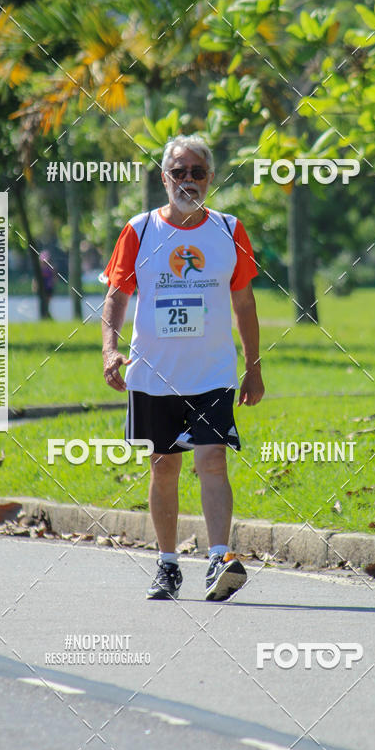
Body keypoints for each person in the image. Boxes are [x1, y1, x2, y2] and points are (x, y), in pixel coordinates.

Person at [102, 135, 264, 601]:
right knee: (163, 466)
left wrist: (253, 367)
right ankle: (168, 565)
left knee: (213, 461)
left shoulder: (230, 230)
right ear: (164, 177)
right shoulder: (140, 230)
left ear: (210, 178)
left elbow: (244, 303)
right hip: (154, 373)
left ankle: (218, 559)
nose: (187, 180)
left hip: (212, 373)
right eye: (178, 172)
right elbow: (116, 296)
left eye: (197, 172)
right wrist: (111, 351)